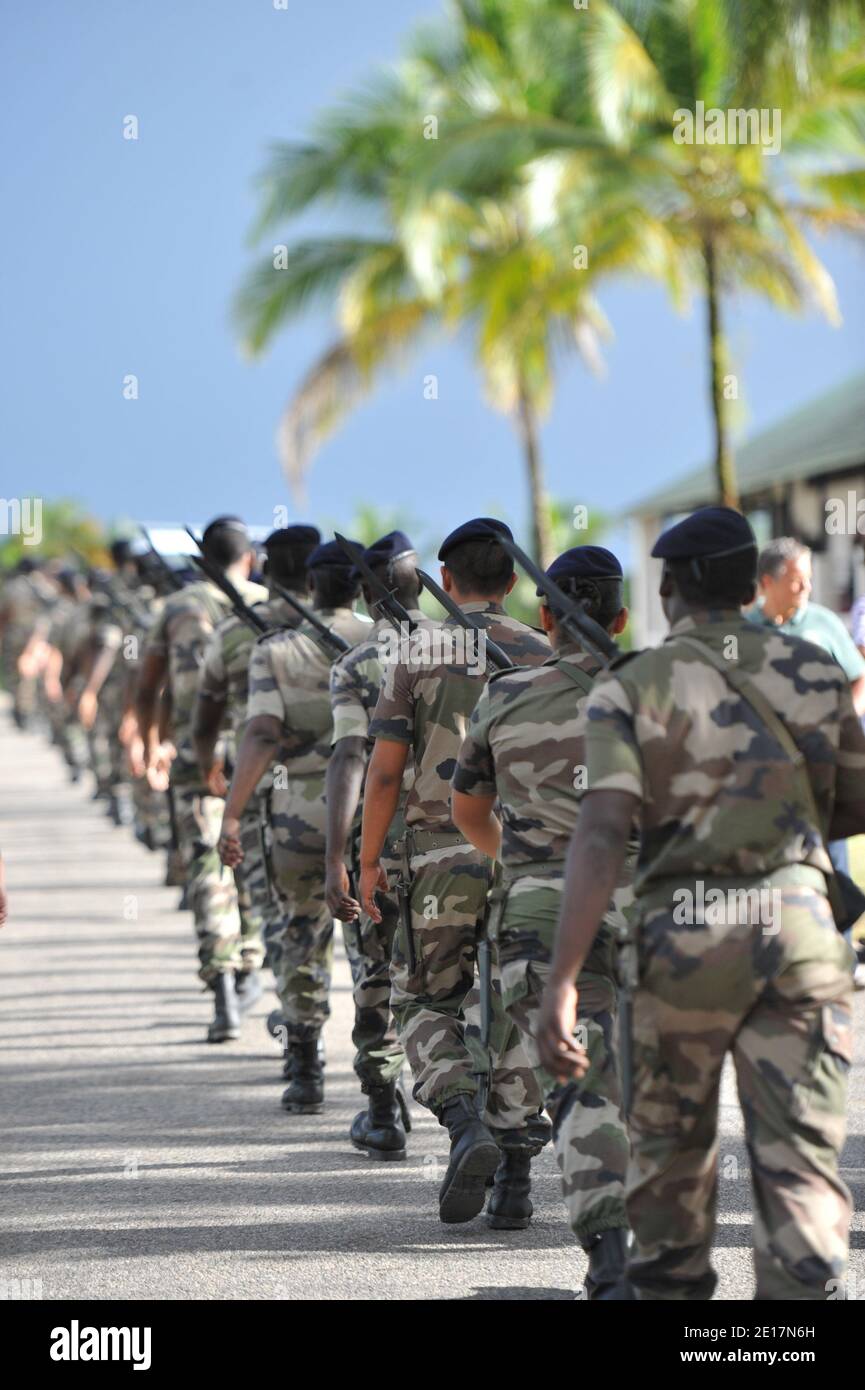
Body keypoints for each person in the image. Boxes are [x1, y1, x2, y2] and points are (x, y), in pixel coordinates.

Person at [538, 506, 865, 1301]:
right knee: (798, 1164)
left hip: (680, 938)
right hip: (796, 930)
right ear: (749, 583)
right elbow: (853, 805)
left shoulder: (632, 681)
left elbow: (602, 828)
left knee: (671, 1164)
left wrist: (561, 981)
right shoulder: (815, 669)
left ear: (671, 585)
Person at [360, 517, 551, 1227]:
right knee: (517, 1007)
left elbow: (383, 773)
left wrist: (368, 861)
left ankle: (462, 1118)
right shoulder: (540, 650)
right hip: (521, 859)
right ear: (512, 583)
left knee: (421, 1000)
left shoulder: (415, 651)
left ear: (446, 581)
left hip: (434, 857)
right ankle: (517, 1179)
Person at [452, 545, 632, 1295]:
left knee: (582, 1084)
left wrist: (520, 866)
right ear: (621, 617)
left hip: (542, 911)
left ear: (546, 617)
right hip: (656, 905)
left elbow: (468, 810)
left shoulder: (505, 694)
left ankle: (611, 1258)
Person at [217, 539, 371, 1112]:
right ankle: (381, 1086)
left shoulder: (275, 650)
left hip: (294, 811)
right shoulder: (383, 643)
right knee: (372, 945)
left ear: (310, 586)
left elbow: (260, 734)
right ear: (359, 587)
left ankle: (305, 1070)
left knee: (300, 934)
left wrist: (233, 813)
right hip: (366, 812)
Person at [136, 516, 268, 1042]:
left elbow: (148, 685)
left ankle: (222, 989)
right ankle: (252, 965)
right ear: (248, 558)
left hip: (196, 748)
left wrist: (151, 742)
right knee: (254, 854)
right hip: (259, 751)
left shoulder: (173, 608)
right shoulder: (266, 603)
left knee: (209, 862)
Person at [193, 525, 321, 1027]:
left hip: (266, 792)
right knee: (366, 939)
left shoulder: (233, 631)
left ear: (267, 567)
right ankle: (383, 1077)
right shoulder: (357, 631)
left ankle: (302, 1049)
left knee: (283, 918)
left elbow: (206, 716)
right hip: (349, 794)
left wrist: (211, 769)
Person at [325, 530, 426, 1160]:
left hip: (381, 847)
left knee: (377, 974)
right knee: (467, 978)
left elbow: (349, 760)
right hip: (466, 841)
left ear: (368, 593)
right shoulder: (476, 649)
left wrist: (339, 854)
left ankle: (384, 1112)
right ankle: (482, 1119)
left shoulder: (358, 665)